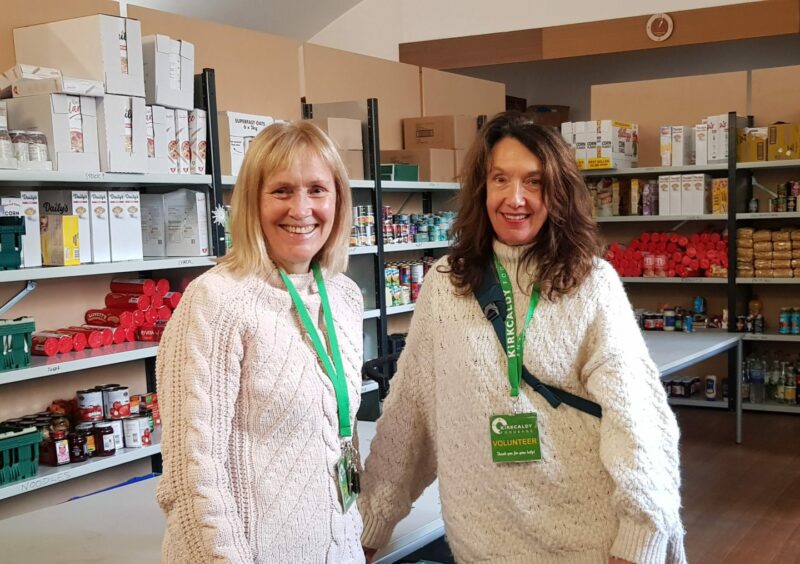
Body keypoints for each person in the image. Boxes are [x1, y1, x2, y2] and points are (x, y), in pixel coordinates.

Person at [359, 112, 686, 564]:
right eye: (501, 179)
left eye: (534, 182)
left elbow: (636, 418)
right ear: (482, 188)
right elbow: (410, 412)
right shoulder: (444, 285)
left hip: (586, 542)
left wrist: (638, 537)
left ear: (557, 193)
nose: (516, 199)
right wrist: (373, 521)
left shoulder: (591, 284)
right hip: (480, 543)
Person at [156, 121, 366, 563]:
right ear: (253, 201)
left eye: (317, 189)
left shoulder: (344, 296)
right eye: (282, 191)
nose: (302, 208)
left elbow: (335, 434)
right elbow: (192, 479)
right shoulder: (216, 301)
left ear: (339, 200)